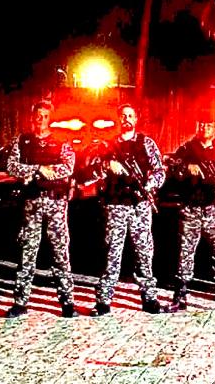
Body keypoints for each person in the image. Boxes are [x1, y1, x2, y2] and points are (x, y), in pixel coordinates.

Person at [86, 104, 169, 315]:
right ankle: (104, 300)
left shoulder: (146, 143)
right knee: (111, 253)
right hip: (116, 205)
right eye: (123, 116)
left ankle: (149, 298)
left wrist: (149, 185)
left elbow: (159, 171)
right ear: (118, 119)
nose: (126, 119)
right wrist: (107, 166)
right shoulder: (107, 145)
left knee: (144, 252)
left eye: (130, 115)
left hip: (140, 205)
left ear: (136, 119)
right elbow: (90, 172)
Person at [5, 100, 78, 318]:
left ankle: (67, 302)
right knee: (27, 252)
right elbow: (11, 166)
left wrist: (45, 172)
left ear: (50, 119)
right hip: (32, 203)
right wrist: (38, 169)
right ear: (32, 117)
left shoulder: (61, 141)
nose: (41, 120)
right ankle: (20, 302)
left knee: (60, 252)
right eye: (38, 116)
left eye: (45, 116)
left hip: (56, 203)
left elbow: (68, 167)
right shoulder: (22, 141)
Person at [166, 115, 215, 312]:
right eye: (201, 124)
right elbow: (171, 168)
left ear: (214, 128)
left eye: (209, 124)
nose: (205, 128)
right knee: (185, 253)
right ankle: (180, 295)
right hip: (191, 208)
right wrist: (186, 168)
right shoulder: (186, 149)